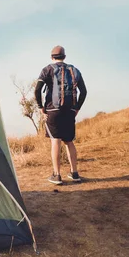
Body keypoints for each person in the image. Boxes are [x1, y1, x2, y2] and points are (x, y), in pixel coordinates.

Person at [35, 45, 87, 185]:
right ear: (64, 56)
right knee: (69, 141)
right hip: (70, 111)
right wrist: (76, 108)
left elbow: (38, 89)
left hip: (53, 111)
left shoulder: (47, 69)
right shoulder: (74, 70)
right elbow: (84, 92)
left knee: (55, 141)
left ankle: (57, 175)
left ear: (52, 57)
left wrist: (41, 107)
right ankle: (74, 173)